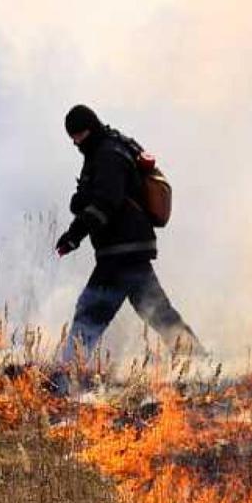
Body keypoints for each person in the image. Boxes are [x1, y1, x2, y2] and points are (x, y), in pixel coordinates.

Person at [55, 105, 203, 383]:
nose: (76, 142)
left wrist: (73, 235)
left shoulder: (107, 155)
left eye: (78, 135)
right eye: (73, 137)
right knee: (160, 314)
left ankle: (63, 378)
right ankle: (201, 366)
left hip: (119, 250)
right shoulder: (108, 148)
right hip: (132, 247)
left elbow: (104, 204)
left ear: (88, 129)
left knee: (90, 312)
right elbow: (98, 196)